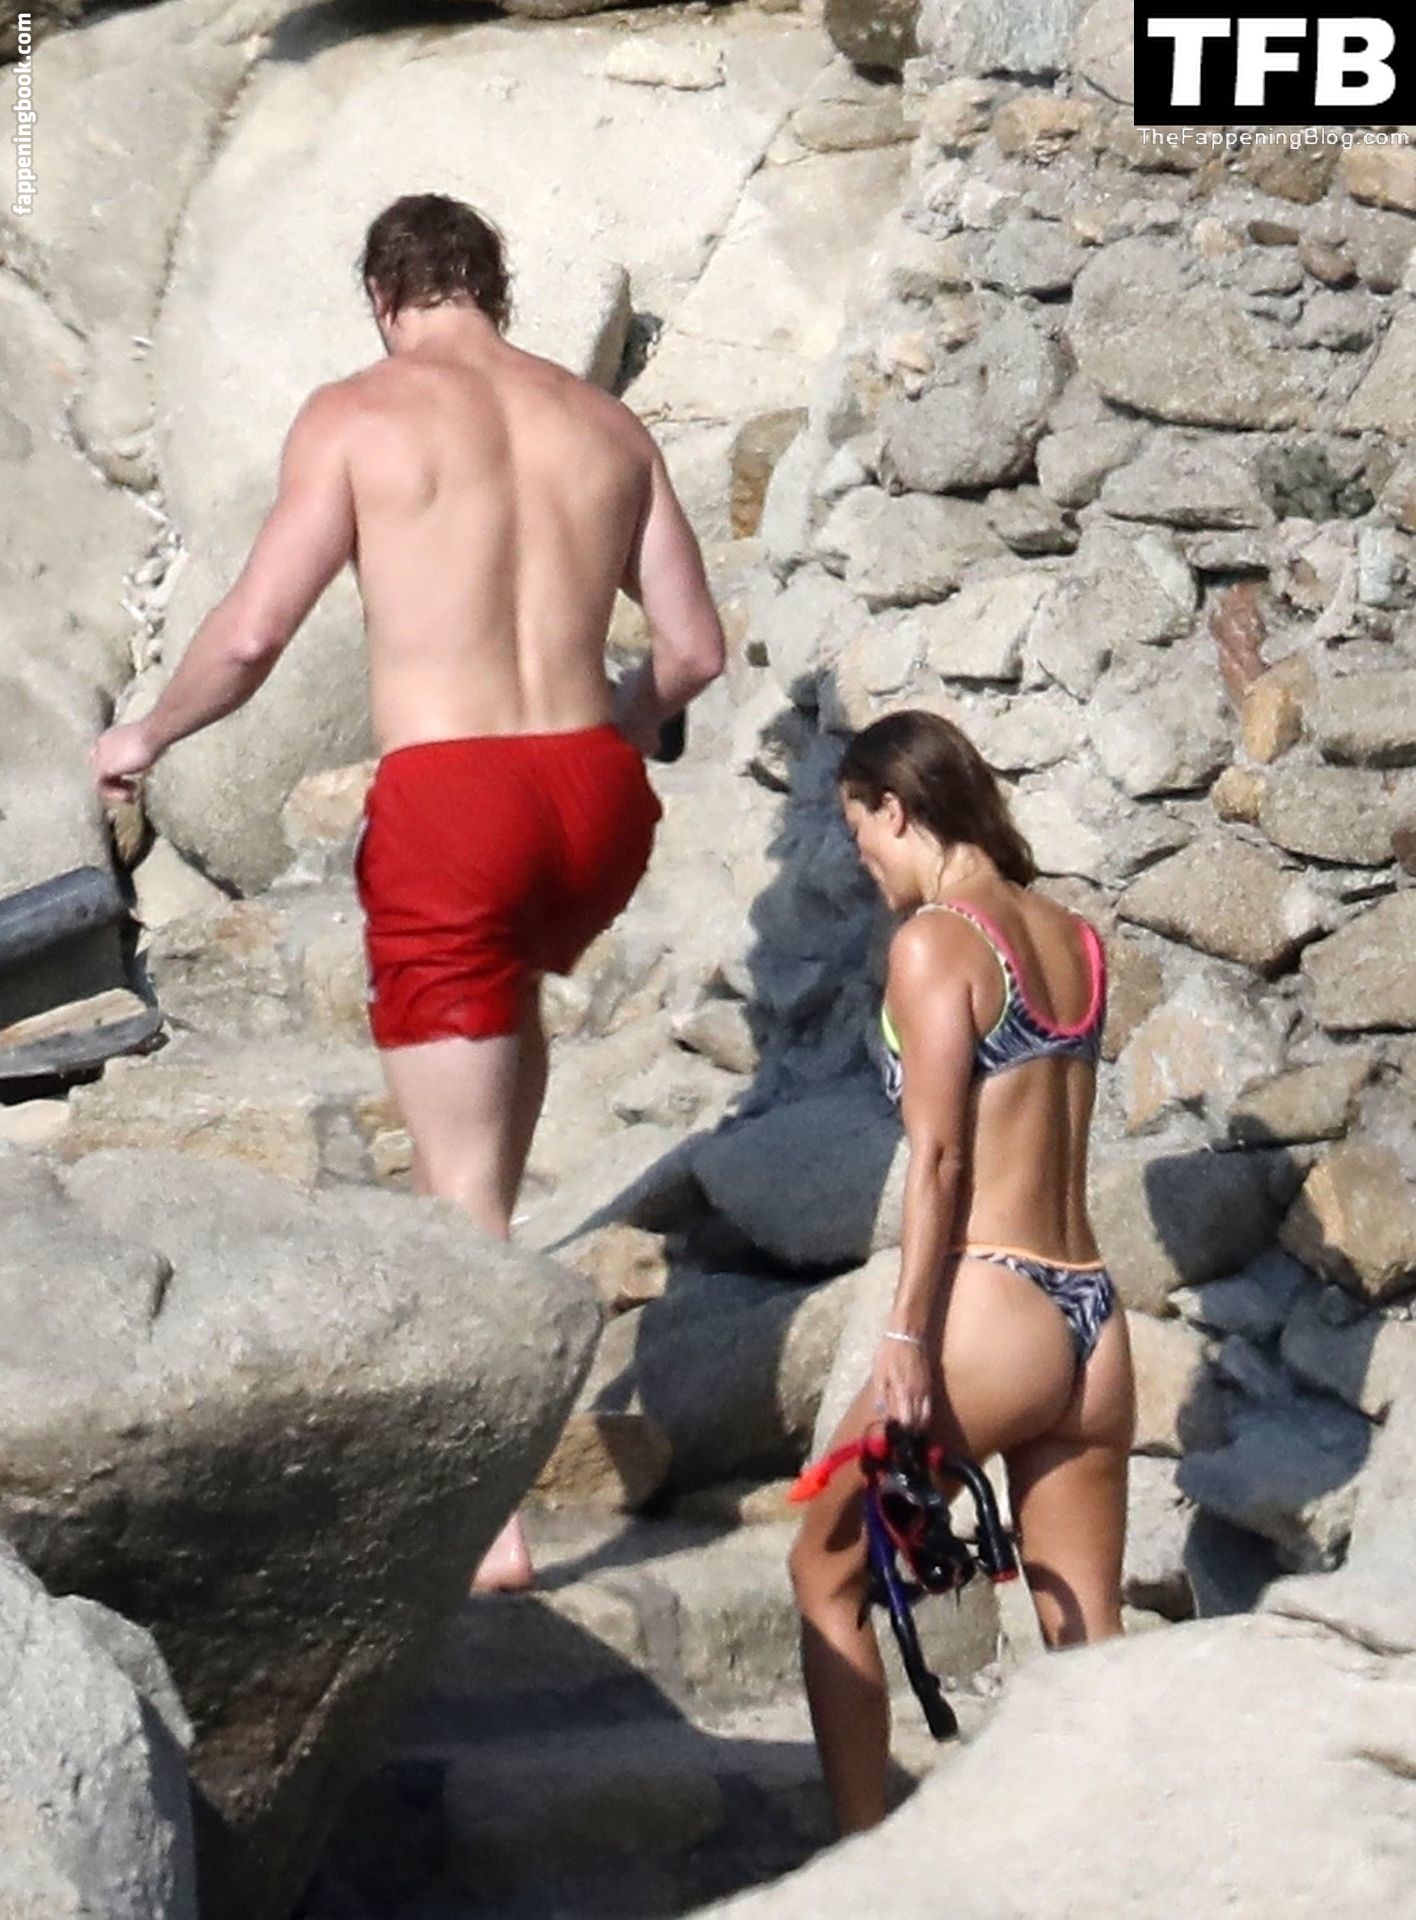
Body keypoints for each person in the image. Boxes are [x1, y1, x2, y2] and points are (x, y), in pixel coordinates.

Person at [91, 192, 727, 1592]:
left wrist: (147, 734)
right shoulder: (603, 425)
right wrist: (613, 738)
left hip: (457, 803)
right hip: (592, 805)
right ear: (496, 291)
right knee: (508, 1018)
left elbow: (253, 635)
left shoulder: (357, 414)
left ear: (384, 299)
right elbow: (690, 651)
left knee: (457, 1203)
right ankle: (504, 1420)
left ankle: (484, 1520)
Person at [789, 707, 1136, 1834]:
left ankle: (865, 1871)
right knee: (1089, 1648)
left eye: (862, 836)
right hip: (1093, 1319)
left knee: (823, 1570)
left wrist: (903, 1338)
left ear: (896, 809)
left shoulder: (939, 941)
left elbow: (938, 1158)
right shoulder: (1074, 936)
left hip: (994, 1309)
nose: (867, 864)